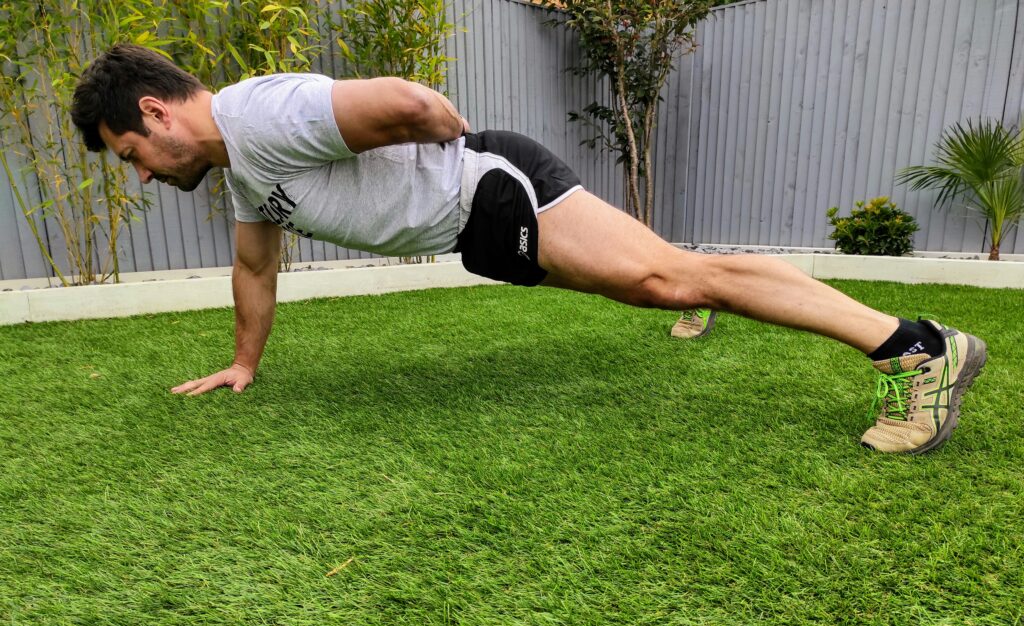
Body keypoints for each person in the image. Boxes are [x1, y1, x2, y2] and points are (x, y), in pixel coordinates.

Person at [71, 44, 986, 454]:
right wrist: (242, 363)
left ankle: (918, 349)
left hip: (489, 187)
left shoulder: (258, 115)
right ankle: (697, 288)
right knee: (665, 279)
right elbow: (254, 265)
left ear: (153, 111)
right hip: (480, 225)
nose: (143, 176)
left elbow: (408, 101)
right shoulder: (240, 166)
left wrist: (451, 145)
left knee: (667, 277)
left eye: (133, 156)